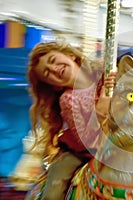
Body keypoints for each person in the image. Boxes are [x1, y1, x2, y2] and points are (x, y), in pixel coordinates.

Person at [27, 41, 116, 200]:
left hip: (115, 144)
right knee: (55, 184)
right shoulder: (68, 100)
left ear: (71, 55)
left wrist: (119, 85)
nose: (54, 69)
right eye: (48, 74)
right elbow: (86, 141)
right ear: (55, 86)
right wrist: (101, 107)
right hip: (81, 151)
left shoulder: (105, 75)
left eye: (53, 60)